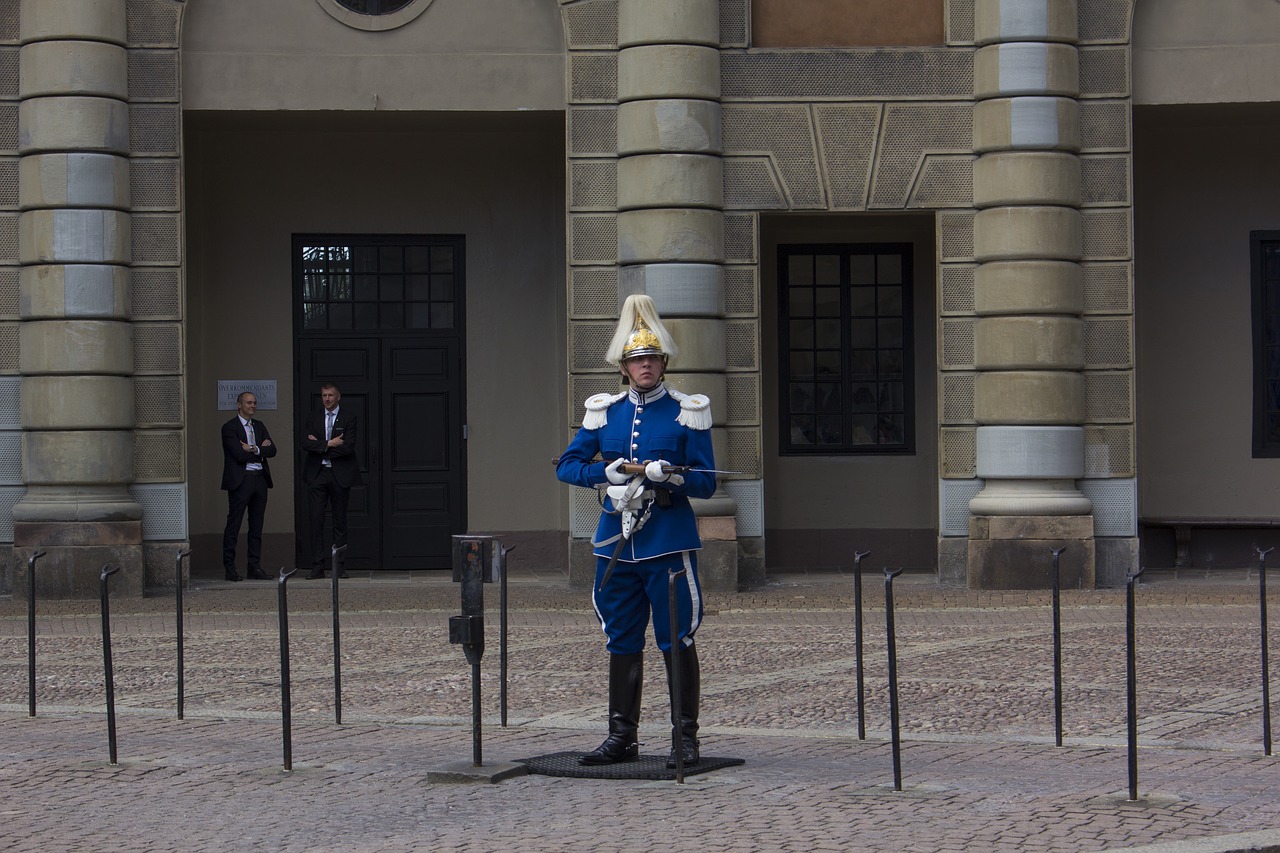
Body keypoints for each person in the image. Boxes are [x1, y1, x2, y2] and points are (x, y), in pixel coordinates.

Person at [556, 294, 716, 769]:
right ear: (624, 368)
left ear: (664, 362)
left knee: (675, 638)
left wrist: (673, 475)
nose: (645, 365)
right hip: (615, 546)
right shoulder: (604, 411)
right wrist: (607, 475)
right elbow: (568, 465)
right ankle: (621, 736)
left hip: (667, 541)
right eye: (636, 359)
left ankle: (685, 740)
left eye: (651, 358)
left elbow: (707, 481)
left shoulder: (688, 411)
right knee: (621, 638)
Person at [301, 383, 361, 579]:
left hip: (339, 474)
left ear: (338, 397)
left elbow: (348, 447)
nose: (327, 399)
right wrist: (329, 443)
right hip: (317, 474)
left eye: (330, 395)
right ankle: (317, 565)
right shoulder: (313, 416)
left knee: (339, 521)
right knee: (316, 520)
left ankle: (339, 565)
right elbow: (305, 443)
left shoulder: (348, 417)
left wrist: (319, 446)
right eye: (324, 395)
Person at [220, 391, 276, 582]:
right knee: (234, 524)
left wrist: (253, 448)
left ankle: (254, 566)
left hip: (260, 478)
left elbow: (272, 450)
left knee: (256, 525)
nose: (252, 406)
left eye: (254, 403)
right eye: (249, 402)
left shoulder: (259, 426)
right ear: (239, 405)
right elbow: (238, 455)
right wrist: (261, 450)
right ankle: (230, 568)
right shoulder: (229, 428)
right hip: (240, 480)